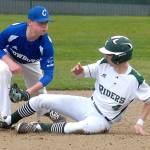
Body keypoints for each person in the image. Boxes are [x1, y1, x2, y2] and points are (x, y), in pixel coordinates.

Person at [0, 35, 150, 135]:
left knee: (78, 128)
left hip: (102, 120)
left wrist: (140, 122)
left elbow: (148, 100)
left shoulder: (134, 80)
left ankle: (37, 128)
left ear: (119, 57)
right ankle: (8, 121)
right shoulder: (104, 64)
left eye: (109, 53)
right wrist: (79, 71)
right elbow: (84, 71)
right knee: (40, 99)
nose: (106, 55)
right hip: (87, 105)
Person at [0, 5, 65, 122]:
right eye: (40, 23)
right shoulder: (13, 31)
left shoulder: (46, 45)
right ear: (30, 22)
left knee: (40, 91)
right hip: (9, 55)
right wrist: (9, 62)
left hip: (31, 62)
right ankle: (4, 116)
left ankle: (46, 110)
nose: (44, 26)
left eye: (46, 23)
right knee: (2, 71)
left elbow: (48, 75)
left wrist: (28, 92)